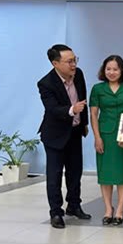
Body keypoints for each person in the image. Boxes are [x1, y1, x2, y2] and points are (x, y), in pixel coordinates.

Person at [37, 44, 91, 229]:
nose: (74, 64)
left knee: (75, 172)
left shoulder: (79, 74)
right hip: (55, 135)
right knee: (55, 175)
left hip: (75, 131)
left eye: (75, 60)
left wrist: (84, 123)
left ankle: (74, 205)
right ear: (55, 63)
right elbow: (52, 109)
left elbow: (83, 99)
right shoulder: (46, 83)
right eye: (69, 61)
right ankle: (56, 212)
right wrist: (72, 110)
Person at [89, 55, 123, 226]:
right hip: (105, 135)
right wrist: (97, 137)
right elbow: (93, 115)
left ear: (122, 70)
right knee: (105, 174)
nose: (111, 72)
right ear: (104, 70)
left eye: (115, 69)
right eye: (108, 69)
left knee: (122, 174)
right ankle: (108, 209)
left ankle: (120, 209)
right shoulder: (97, 89)